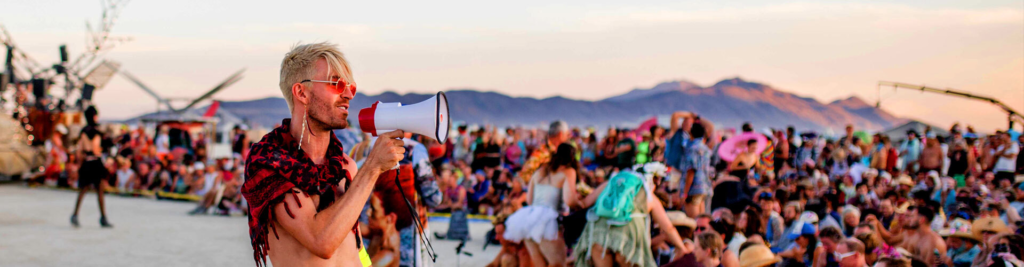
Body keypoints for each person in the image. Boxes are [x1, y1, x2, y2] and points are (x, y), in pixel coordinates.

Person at [240, 42, 407, 267]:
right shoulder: (268, 162)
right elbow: (321, 242)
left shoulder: (344, 165)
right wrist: (373, 167)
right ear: (301, 92)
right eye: (336, 84)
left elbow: (354, 246)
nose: (348, 94)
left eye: (351, 87)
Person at [572, 169, 687, 267]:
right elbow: (668, 227)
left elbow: (584, 203)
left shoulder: (611, 184)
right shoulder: (648, 194)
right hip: (627, 238)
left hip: (600, 233)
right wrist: (682, 248)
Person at [503, 143, 583, 267]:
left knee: (539, 264)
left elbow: (529, 200)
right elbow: (570, 200)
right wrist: (580, 203)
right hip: (549, 222)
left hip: (529, 220)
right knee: (557, 263)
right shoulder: (568, 171)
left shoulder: (540, 171)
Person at [70, 105, 113, 228]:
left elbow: (80, 150)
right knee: (100, 190)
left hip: (87, 162)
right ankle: (103, 217)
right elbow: (97, 148)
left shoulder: (83, 131)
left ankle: (75, 214)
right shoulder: (97, 131)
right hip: (96, 162)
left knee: (83, 190)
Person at [682, 122, 712, 217]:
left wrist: (685, 193)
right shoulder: (705, 148)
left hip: (694, 187)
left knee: (694, 220)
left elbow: (691, 171)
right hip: (705, 186)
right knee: (702, 217)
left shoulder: (692, 148)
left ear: (691, 133)